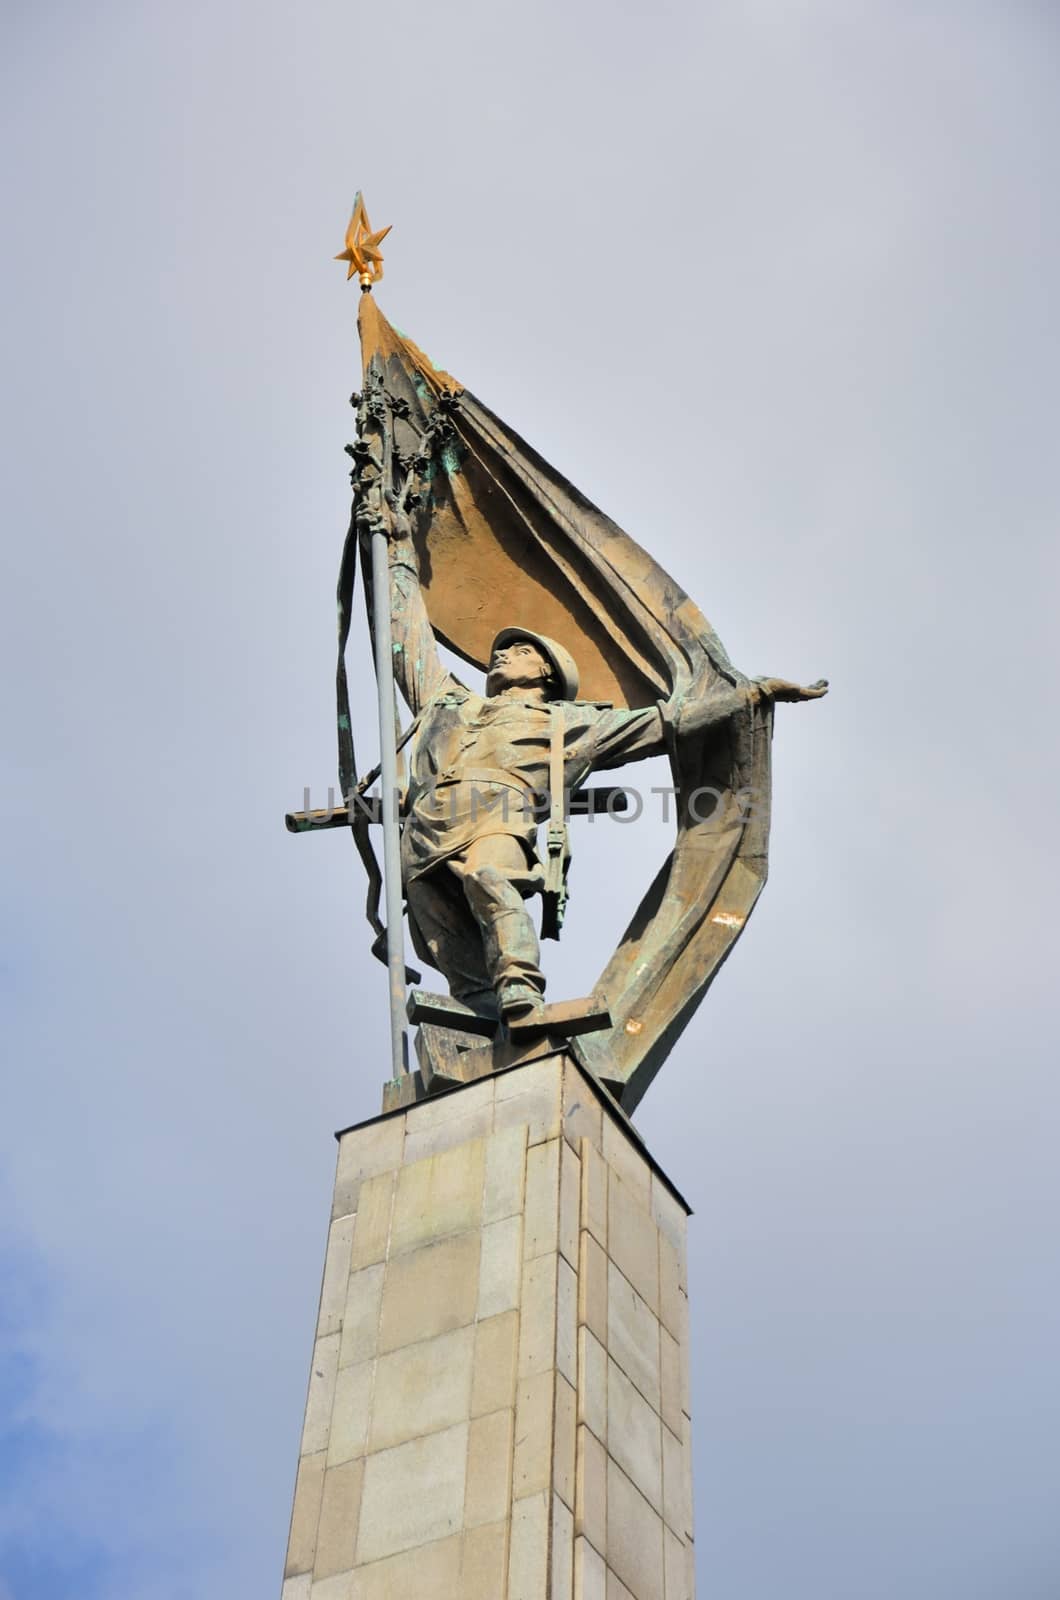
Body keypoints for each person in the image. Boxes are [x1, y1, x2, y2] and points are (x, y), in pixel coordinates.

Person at [380, 510, 826, 1025]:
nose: (498, 657)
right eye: (499, 652)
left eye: (517, 651)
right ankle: (480, 1017)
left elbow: (664, 723)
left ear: (545, 671)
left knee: (489, 878)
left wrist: (750, 693)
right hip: (425, 830)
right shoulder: (447, 702)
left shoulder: (567, 724)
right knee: (442, 931)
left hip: (498, 813)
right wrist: (399, 559)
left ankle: (520, 986)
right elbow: (407, 638)